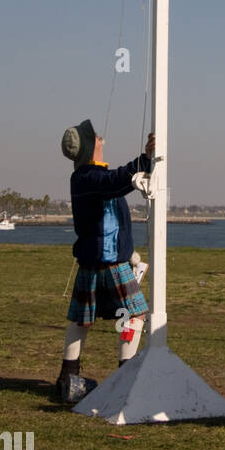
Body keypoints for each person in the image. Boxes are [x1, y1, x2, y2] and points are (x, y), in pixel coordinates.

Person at [56, 119, 155, 403]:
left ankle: (68, 377)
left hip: (96, 261)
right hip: (109, 263)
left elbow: (114, 195)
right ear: (89, 147)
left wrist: (132, 253)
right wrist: (145, 160)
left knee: (81, 320)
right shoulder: (88, 178)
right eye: (95, 136)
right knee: (134, 316)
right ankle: (126, 379)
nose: (101, 137)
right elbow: (116, 181)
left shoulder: (87, 177)